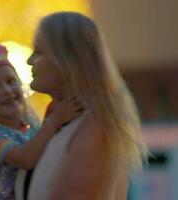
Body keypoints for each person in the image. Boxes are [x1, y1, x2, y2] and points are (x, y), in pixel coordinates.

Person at [15, 12, 149, 200]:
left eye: (39, 51)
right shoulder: (61, 122)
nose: (30, 61)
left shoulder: (95, 128)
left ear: (66, 59)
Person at [0, 41, 82, 200]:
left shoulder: (31, 124)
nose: (6, 91)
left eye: (10, 81)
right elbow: (25, 159)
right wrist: (55, 121)